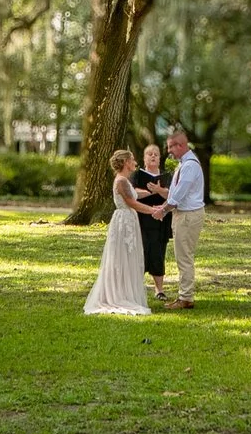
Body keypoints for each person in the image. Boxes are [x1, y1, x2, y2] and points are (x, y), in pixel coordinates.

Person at [84, 150, 155, 316]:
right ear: (125, 162)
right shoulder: (121, 181)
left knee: (127, 256)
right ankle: (118, 294)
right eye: (132, 159)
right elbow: (132, 202)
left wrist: (153, 191)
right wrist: (153, 210)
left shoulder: (125, 181)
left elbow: (135, 194)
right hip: (124, 221)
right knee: (121, 256)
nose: (135, 162)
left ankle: (125, 291)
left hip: (129, 219)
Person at [162, 129, 206, 308]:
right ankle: (184, 295)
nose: (169, 151)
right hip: (184, 214)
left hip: (188, 216)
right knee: (183, 255)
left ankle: (186, 298)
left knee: (184, 256)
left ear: (180, 145)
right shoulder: (184, 164)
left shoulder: (189, 166)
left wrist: (163, 210)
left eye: (171, 147)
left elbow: (179, 195)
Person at [135, 141, 173, 302]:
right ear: (144, 159)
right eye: (149, 154)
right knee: (141, 251)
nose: (153, 156)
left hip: (161, 219)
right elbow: (133, 193)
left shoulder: (167, 177)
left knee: (158, 252)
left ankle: (159, 289)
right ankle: (136, 287)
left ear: (159, 159)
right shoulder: (137, 175)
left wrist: (159, 190)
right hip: (142, 219)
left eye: (156, 154)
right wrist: (150, 192)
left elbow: (172, 195)